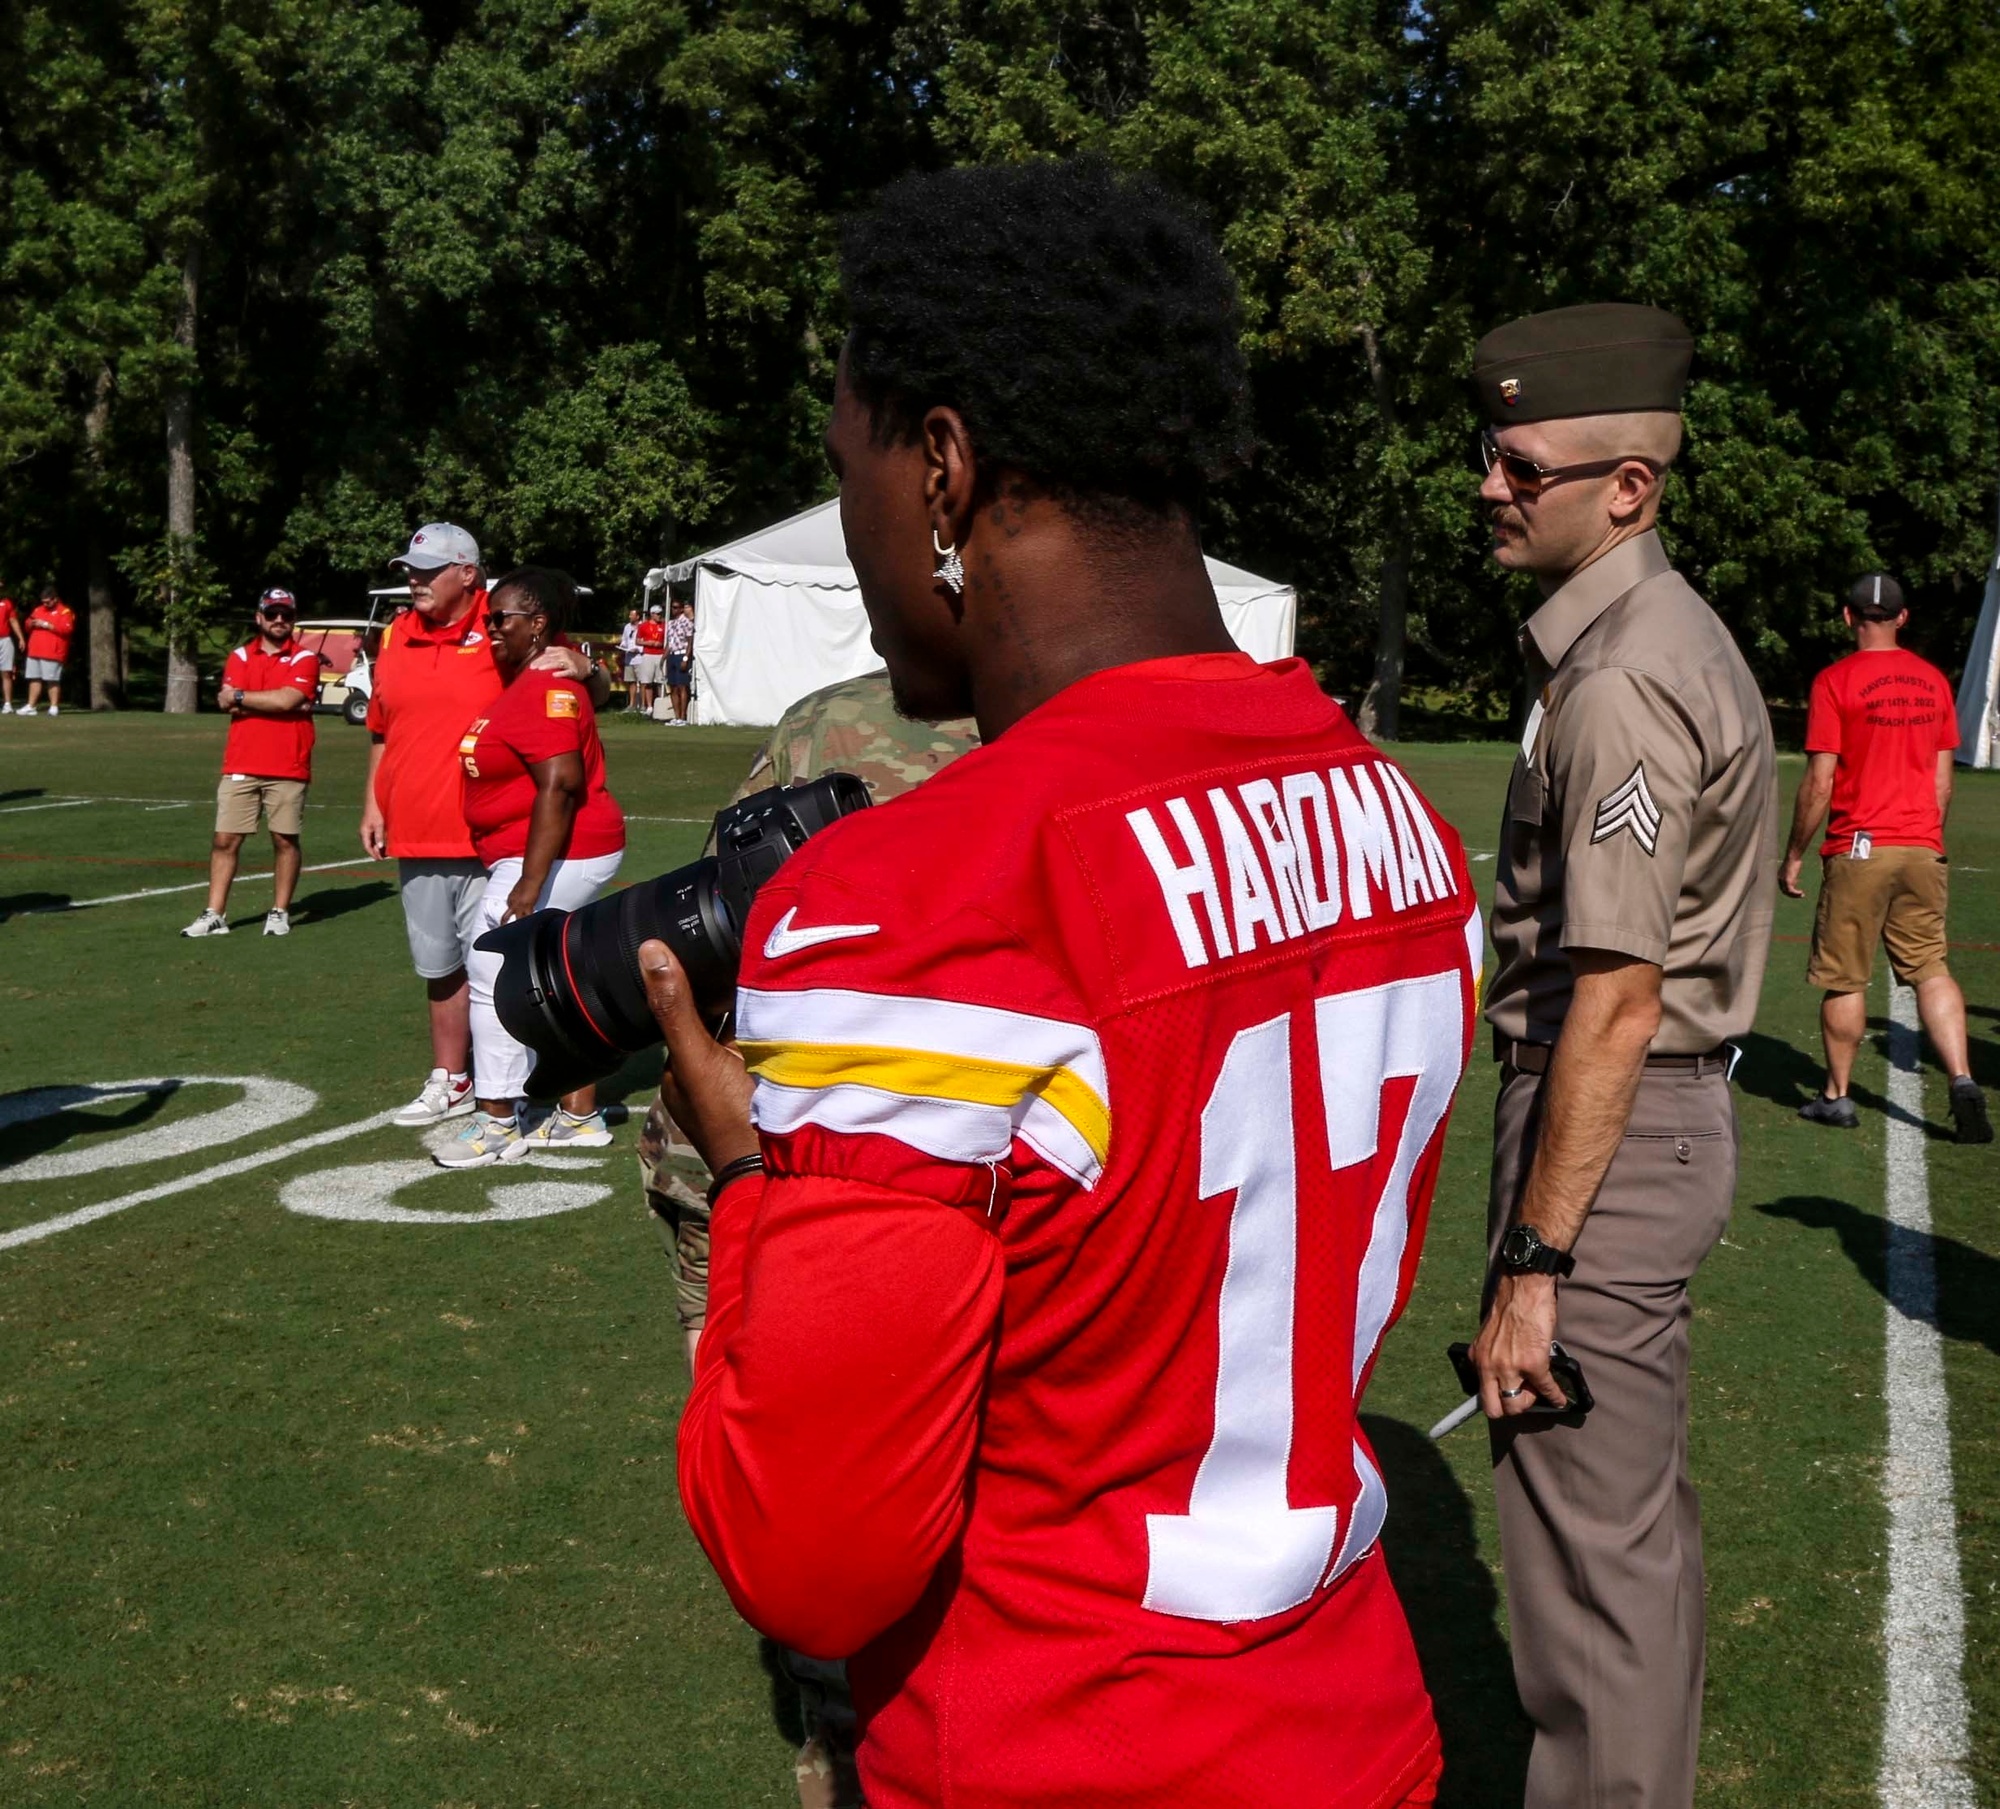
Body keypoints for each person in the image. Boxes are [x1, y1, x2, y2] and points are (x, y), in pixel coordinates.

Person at [649, 158, 1480, 1809]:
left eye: (855, 473)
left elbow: (811, 1554)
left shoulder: (913, 899)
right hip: (1351, 1721)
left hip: (1060, 1737)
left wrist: (752, 1181)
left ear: (944, 467)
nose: (858, 527)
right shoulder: (1404, 823)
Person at [1466, 304, 1776, 1809]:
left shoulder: (1619, 681)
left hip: (1608, 1137)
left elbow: (1614, 997)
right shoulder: (1646, 641)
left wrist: (1536, 1261)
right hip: (1638, 1134)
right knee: (1628, 1552)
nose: (1490, 484)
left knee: (1591, 1583)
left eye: (1522, 462)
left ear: (1626, 489)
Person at [635, 666, 979, 1809]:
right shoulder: (1066, 724)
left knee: (799, 1495)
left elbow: (723, 917)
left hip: (792, 1174)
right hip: (907, 1176)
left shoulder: (831, 722)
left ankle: (843, 1736)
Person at [361, 523, 605, 1128]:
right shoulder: (395, 634)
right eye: (410, 570)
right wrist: (373, 802)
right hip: (418, 827)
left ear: (467, 573)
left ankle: (523, 1093)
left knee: (508, 965)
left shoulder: (504, 625)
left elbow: (584, 688)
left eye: (427, 570)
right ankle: (454, 1078)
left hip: (503, 839)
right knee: (439, 965)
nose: (413, 581)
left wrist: (587, 664)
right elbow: (380, 728)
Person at [1781, 573, 1991, 1142]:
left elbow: (1820, 782)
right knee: (1931, 967)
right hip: (1922, 844)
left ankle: (1837, 1096)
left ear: (1848, 618)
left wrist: (1794, 853)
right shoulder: (1933, 683)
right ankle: (1964, 1078)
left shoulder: (1834, 681)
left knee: (1846, 976)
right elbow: (1943, 784)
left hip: (1858, 845)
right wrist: (1924, 835)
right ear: (1903, 617)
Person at [440, 567, 627, 1166]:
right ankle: (578, 1115)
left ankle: (497, 1119)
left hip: (554, 850)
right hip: (540, 848)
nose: (490, 628)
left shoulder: (544, 685)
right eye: (488, 618)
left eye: (502, 619)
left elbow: (561, 785)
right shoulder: (530, 674)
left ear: (537, 623)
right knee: (558, 977)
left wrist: (528, 878)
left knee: (494, 964)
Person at [181, 589, 320, 938]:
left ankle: (279, 911)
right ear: (258, 617)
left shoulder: (304, 658)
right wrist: (274, 702)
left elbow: (288, 698)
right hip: (241, 762)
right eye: (271, 614)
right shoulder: (240, 656)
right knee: (224, 839)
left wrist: (246, 698)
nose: (278, 620)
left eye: (285, 615)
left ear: (293, 620)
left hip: (288, 764)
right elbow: (231, 702)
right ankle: (214, 913)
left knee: (284, 839)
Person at [20, 586, 75, 716]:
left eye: (48, 601)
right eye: (43, 601)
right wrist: (31, 624)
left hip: (52, 651)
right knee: (34, 678)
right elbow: (27, 623)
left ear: (55, 599)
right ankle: (31, 705)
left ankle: (54, 706)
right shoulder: (38, 609)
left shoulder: (64, 612)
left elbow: (67, 629)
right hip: (35, 650)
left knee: (52, 679)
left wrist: (46, 625)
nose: (45, 604)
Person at [664, 597, 695, 723]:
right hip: (672, 654)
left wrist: (686, 658)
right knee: (673, 687)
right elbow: (669, 643)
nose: (673, 610)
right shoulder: (670, 623)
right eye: (672, 607)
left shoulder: (687, 622)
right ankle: (676, 717)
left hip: (681, 654)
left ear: (681, 609)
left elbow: (689, 642)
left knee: (682, 686)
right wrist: (663, 659)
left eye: (676, 607)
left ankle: (683, 716)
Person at [633, 603, 666, 717]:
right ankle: (649, 705)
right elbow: (637, 641)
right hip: (648, 654)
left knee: (660, 680)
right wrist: (648, 643)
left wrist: (661, 643)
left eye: (660, 614)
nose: (659, 616)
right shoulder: (643, 626)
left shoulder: (664, 625)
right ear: (652, 614)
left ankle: (660, 704)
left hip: (660, 654)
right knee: (647, 681)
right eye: (657, 614)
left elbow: (667, 640)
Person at [0, 589, 22, 712]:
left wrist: (20, 638)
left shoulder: (7, 603)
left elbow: (13, 621)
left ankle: (7, 704)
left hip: (4, 639)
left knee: (6, 673)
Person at [619, 609, 643, 710]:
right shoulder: (627, 627)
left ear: (637, 616)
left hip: (640, 658)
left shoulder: (643, 626)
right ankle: (631, 704)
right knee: (631, 681)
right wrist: (622, 646)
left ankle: (642, 705)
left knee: (642, 682)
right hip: (629, 658)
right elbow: (624, 640)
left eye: (632, 615)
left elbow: (645, 641)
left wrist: (638, 649)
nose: (630, 617)